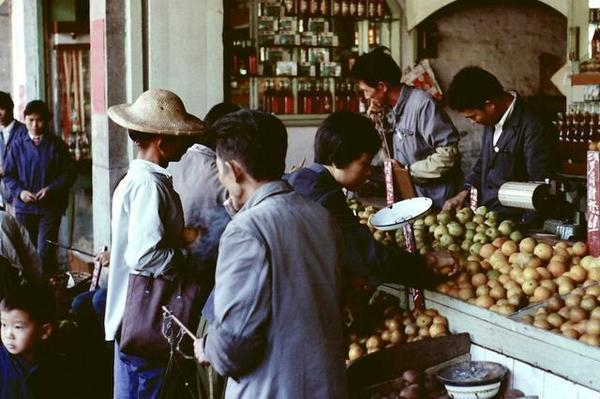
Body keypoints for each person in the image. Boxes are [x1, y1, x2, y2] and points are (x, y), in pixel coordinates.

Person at [193, 110, 347, 398]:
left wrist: (208, 347)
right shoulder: (322, 216)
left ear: (234, 170)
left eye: (220, 171)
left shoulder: (246, 230)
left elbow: (232, 347)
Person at [104, 89, 204, 399]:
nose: (186, 145)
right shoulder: (149, 185)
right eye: (181, 139)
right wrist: (184, 255)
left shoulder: (138, 180)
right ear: (161, 141)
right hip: (143, 317)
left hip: (131, 314)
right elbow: (145, 255)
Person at [285, 112, 455, 288]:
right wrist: (429, 260)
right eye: (364, 164)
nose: (367, 172)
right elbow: (366, 256)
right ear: (337, 160)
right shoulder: (324, 196)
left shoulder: (300, 179)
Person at [351, 47, 462, 209]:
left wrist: (407, 172)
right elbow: (385, 155)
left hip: (438, 200)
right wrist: (374, 123)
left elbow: (449, 155)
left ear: (382, 87)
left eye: (367, 91)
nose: (366, 97)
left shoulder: (422, 105)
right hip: (409, 197)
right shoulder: (385, 109)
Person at [443, 66, 557, 221]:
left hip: (515, 226)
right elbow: (484, 163)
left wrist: (524, 228)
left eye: (473, 116)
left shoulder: (534, 126)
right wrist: (464, 192)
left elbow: (539, 187)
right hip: (489, 219)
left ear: (490, 105)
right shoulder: (493, 119)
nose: (474, 122)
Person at [3, 100, 76, 274]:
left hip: (49, 208)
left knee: (45, 252)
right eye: (31, 120)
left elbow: (69, 173)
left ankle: (46, 293)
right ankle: (29, 294)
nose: (35, 125)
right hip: (24, 208)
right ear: (25, 119)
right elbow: (9, 175)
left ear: (47, 121)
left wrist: (51, 188)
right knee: (25, 251)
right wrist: (20, 193)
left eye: (40, 120)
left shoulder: (57, 145)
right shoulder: (17, 145)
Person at [0, 283, 82, 398]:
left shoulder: (57, 368)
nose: (8, 335)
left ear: (45, 331)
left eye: (18, 327)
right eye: (4, 324)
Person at [0, 91, 28, 213]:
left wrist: (5, 168)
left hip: (22, 195)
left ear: (11, 108)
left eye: (1, 108)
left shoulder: (24, 132)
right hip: (4, 196)